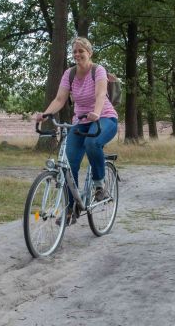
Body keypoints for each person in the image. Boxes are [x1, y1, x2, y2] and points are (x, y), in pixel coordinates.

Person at [35, 37, 118, 225]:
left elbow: (99, 95)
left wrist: (96, 113)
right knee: (68, 163)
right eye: (74, 52)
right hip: (80, 121)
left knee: (92, 143)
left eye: (81, 51)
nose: (77, 54)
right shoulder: (69, 74)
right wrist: (46, 114)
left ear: (90, 53)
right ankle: (71, 209)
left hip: (104, 117)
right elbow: (59, 99)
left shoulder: (98, 71)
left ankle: (99, 186)